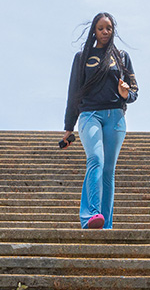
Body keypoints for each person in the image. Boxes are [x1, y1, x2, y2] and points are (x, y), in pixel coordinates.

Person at [61, 12, 138, 229]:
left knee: (108, 171)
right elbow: (74, 93)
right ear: (94, 30)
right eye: (101, 28)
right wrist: (68, 127)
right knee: (95, 159)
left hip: (115, 116)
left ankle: (106, 223)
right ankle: (91, 215)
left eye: (109, 28)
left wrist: (125, 94)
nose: (105, 32)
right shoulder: (82, 57)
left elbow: (134, 91)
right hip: (90, 115)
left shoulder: (122, 57)